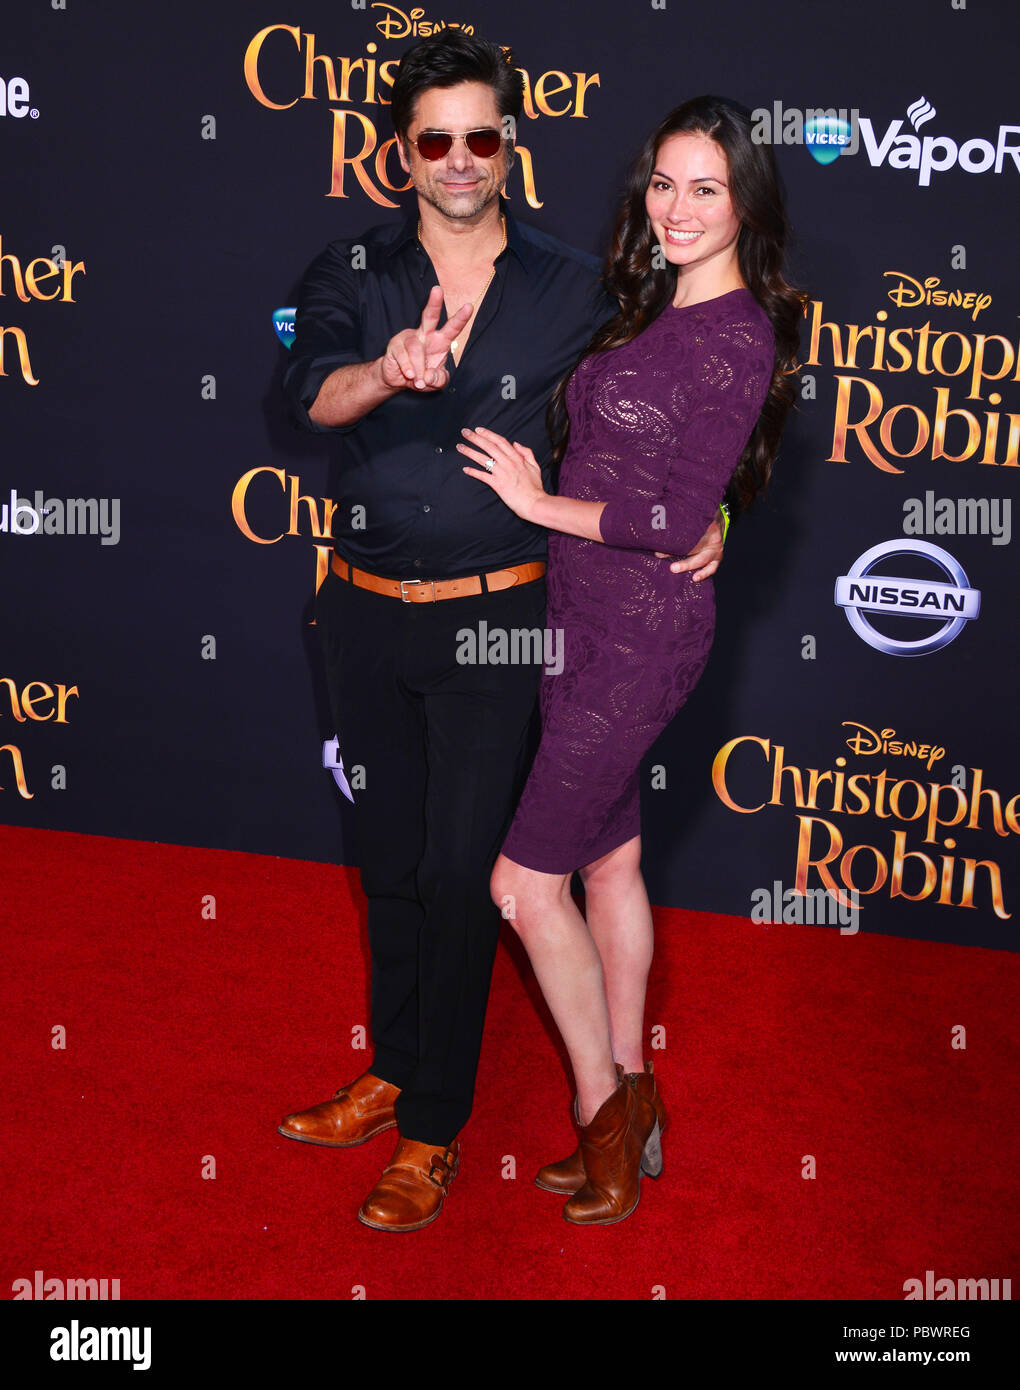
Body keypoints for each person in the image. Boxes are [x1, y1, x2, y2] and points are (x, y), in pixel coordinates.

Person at [277, 30, 725, 1233]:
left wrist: (716, 505)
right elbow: (301, 393)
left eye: (484, 134)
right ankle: (395, 1065)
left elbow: (676, 397)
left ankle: (433, 1128)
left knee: (465, 875)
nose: (463, 158)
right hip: (362, 617)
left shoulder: (577, 284)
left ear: (510, 144)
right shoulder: (352, 269)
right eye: (438, 139)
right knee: (387, 869)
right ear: (401, 155)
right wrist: (386, 368)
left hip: (505, 625)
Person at [456, 95, 802, 1225]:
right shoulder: (642, 308)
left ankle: (605, 1113)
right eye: (665, 183)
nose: (680, 206)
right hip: (578, 621)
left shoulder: (742, 333)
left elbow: (667, 512)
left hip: (641, 640)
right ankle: (637, 1084)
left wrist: (533, 499)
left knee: (522, 884)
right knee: (607, 867)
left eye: (707, 187)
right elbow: (680, 491)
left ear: (746, 204)